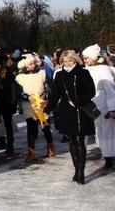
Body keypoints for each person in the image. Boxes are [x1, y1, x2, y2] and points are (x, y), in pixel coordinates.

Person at [46, 50, 95, 184]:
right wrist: (47, 109)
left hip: (80, 110)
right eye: (65, 61)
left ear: (75, 60)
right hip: (66, 111)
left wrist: (78, 101)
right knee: (72, 141)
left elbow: (91, 91)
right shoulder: (60, 75)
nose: (68, 63)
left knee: (80, 141)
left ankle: (81, 171)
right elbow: (55, 95)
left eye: (70, 61)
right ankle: (76, 169)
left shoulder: (83, 73)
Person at [82, 44, 115, 169]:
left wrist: (113, 108)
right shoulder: (86, 70)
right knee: (95, 131)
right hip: (91, 104)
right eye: (84, 58)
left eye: (87, 58)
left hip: (104, 103)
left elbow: (110, 90)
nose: (85, 61)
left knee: (107, 131)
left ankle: (109, 157)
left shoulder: (104, 69)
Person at [15, 53, 54, 162]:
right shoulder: (20, 78)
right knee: (31, 129)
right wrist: (28, 97)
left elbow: (49, 87)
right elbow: (19, 91)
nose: (33, 66)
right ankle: (31, 151)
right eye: (30, 64)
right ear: (25, 65)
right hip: (29, 106)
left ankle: (50, 145)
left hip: (42, 104)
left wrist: (44, 95)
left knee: (45, 127)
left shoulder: (42, 73)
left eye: (34, 63)